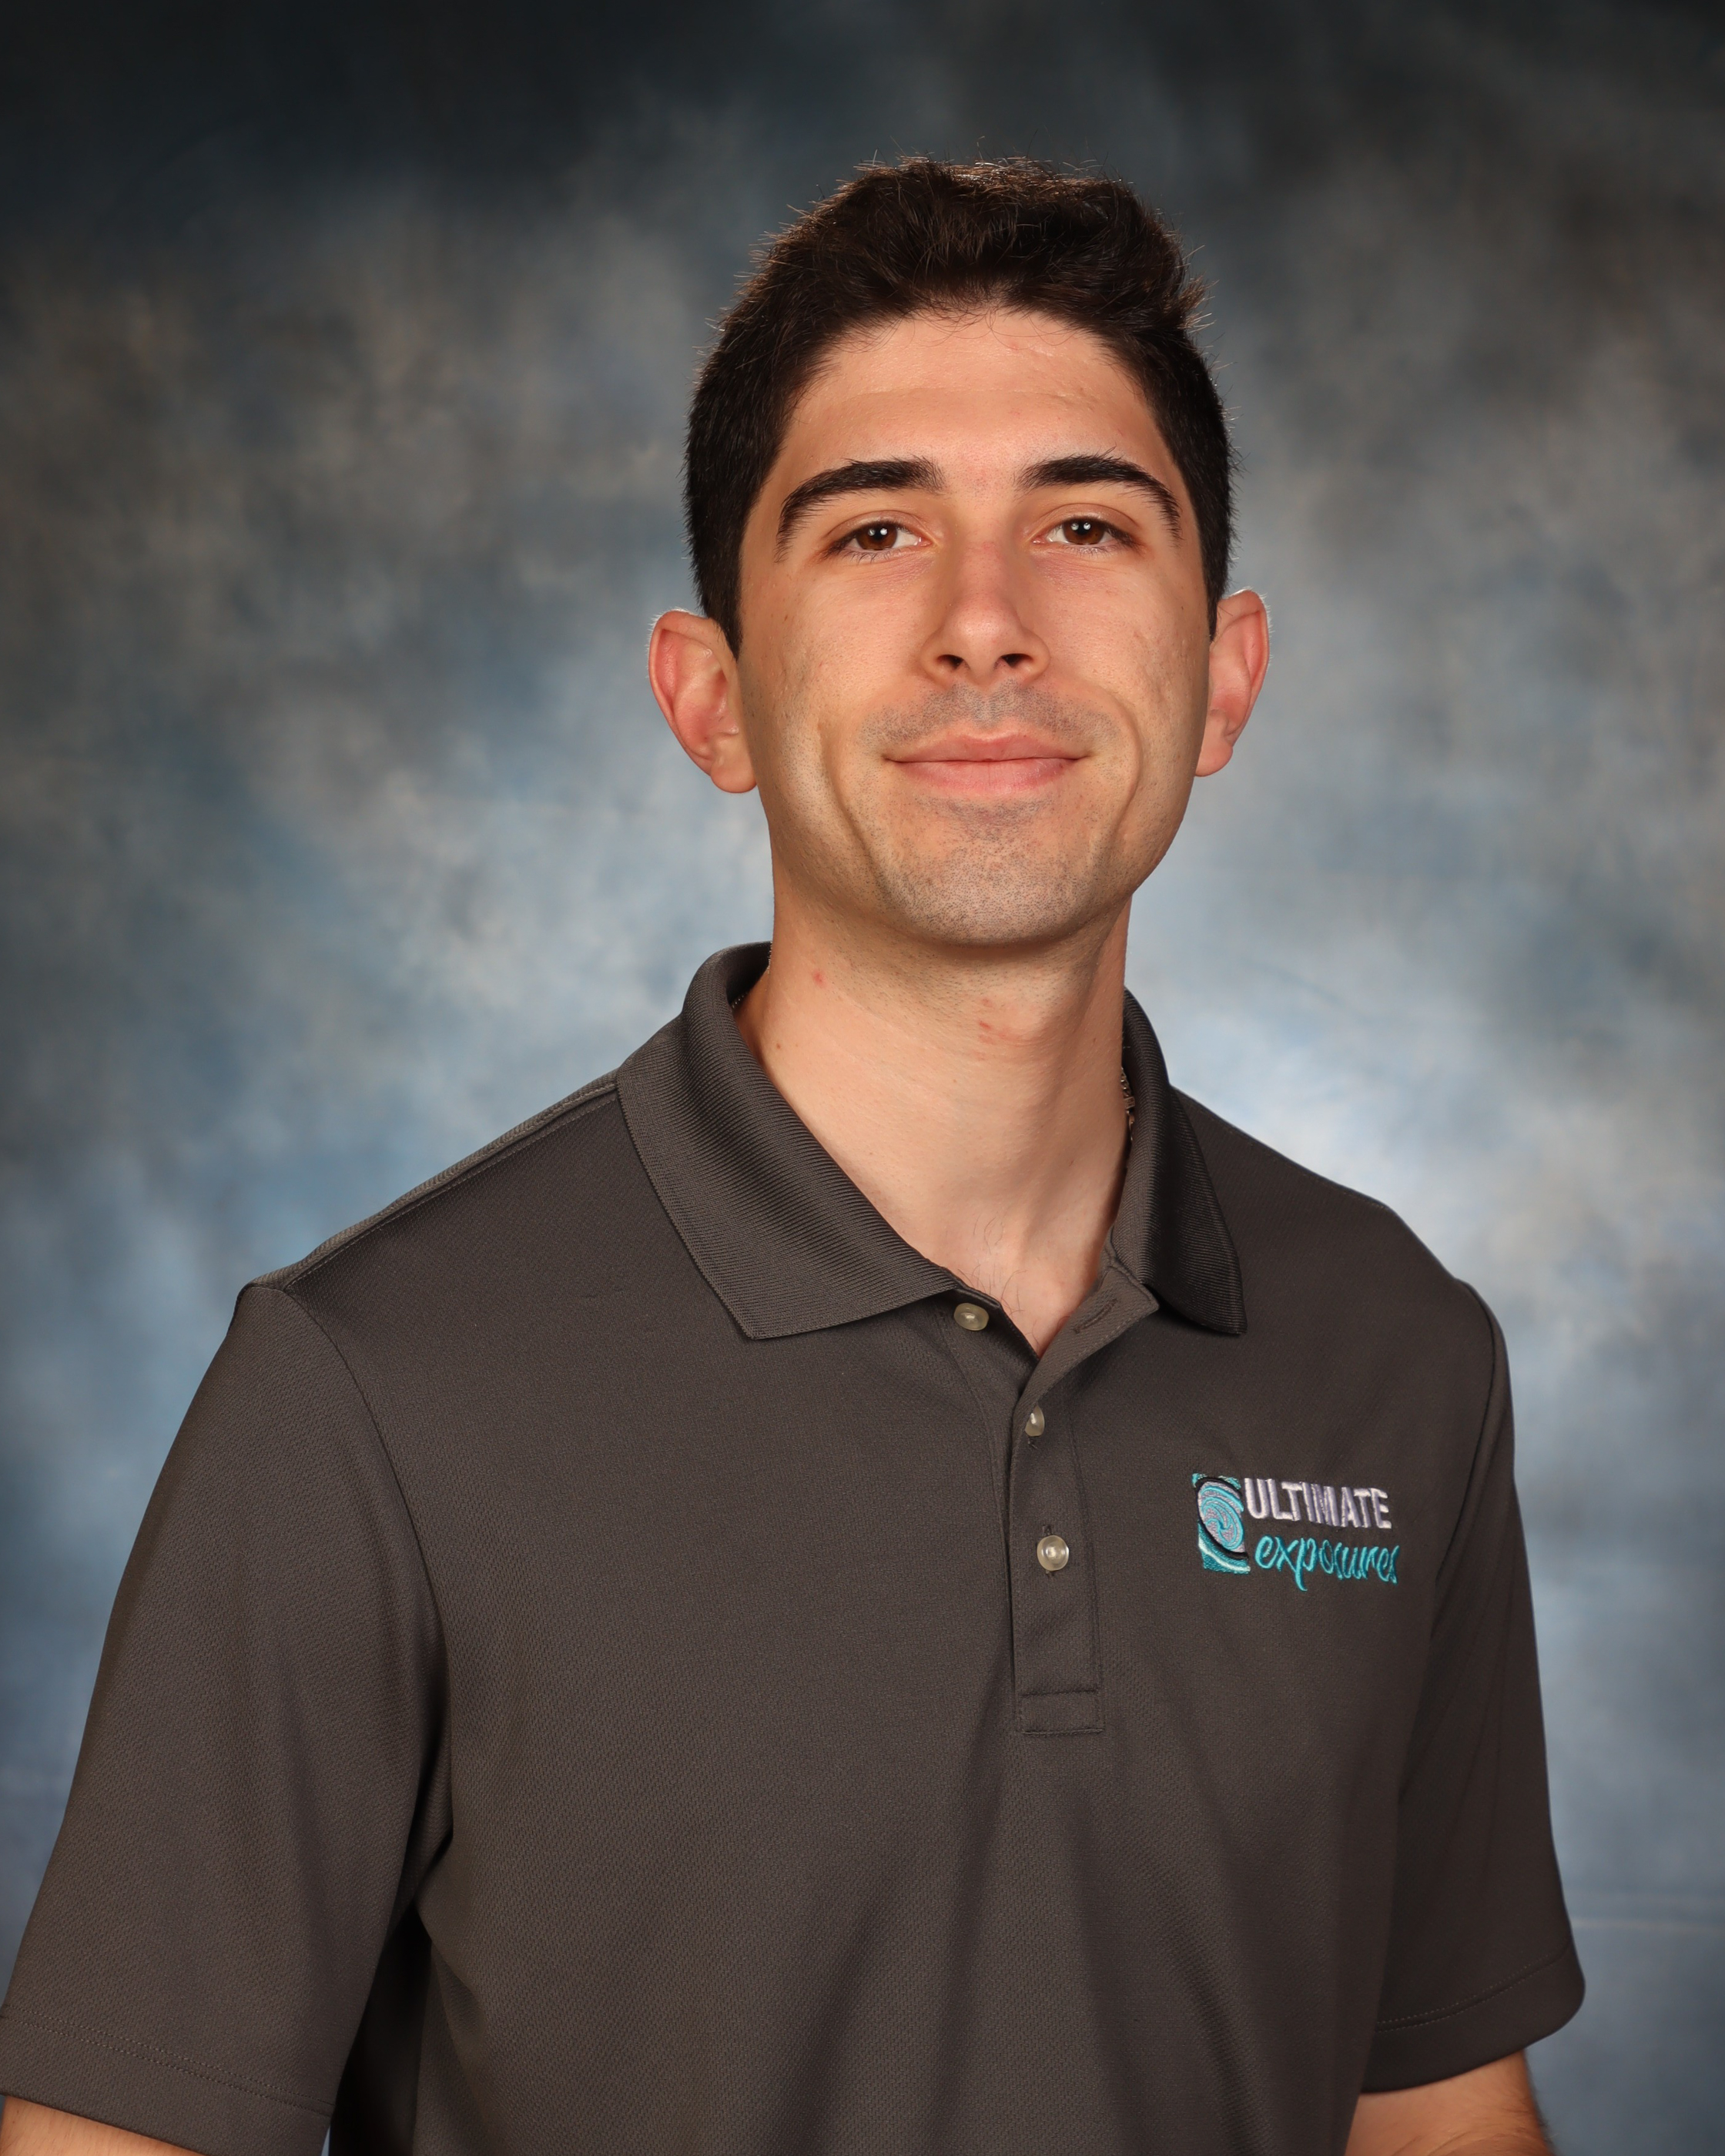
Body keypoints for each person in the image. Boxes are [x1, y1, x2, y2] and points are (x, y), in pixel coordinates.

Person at [0, 157, 1581, 2156]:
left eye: (1086, 526)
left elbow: (1438, 2123)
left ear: (1226, 676)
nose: (986, 625)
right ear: (713, 698)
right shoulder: (367, 1399)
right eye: (876, 532)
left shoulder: (1398, 1351)